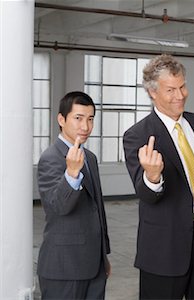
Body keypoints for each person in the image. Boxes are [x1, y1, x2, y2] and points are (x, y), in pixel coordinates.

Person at [123, 54, 194, 300]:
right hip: (164, 246)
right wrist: (152, 176)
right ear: (152, 93)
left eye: (182, 87)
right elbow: (146, 194)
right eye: (170, 90)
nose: (180, 95)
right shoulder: (137, 135)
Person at [37, 91, 111, 299]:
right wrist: (71, 173)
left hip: (93, 265)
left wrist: (103, 258)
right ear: (61, 119)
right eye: (78, 118)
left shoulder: (90, 157)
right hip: (64, 267)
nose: (85, 126)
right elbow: (58, 207)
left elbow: (97, 209)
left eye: (90, 119)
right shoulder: (51, 158)